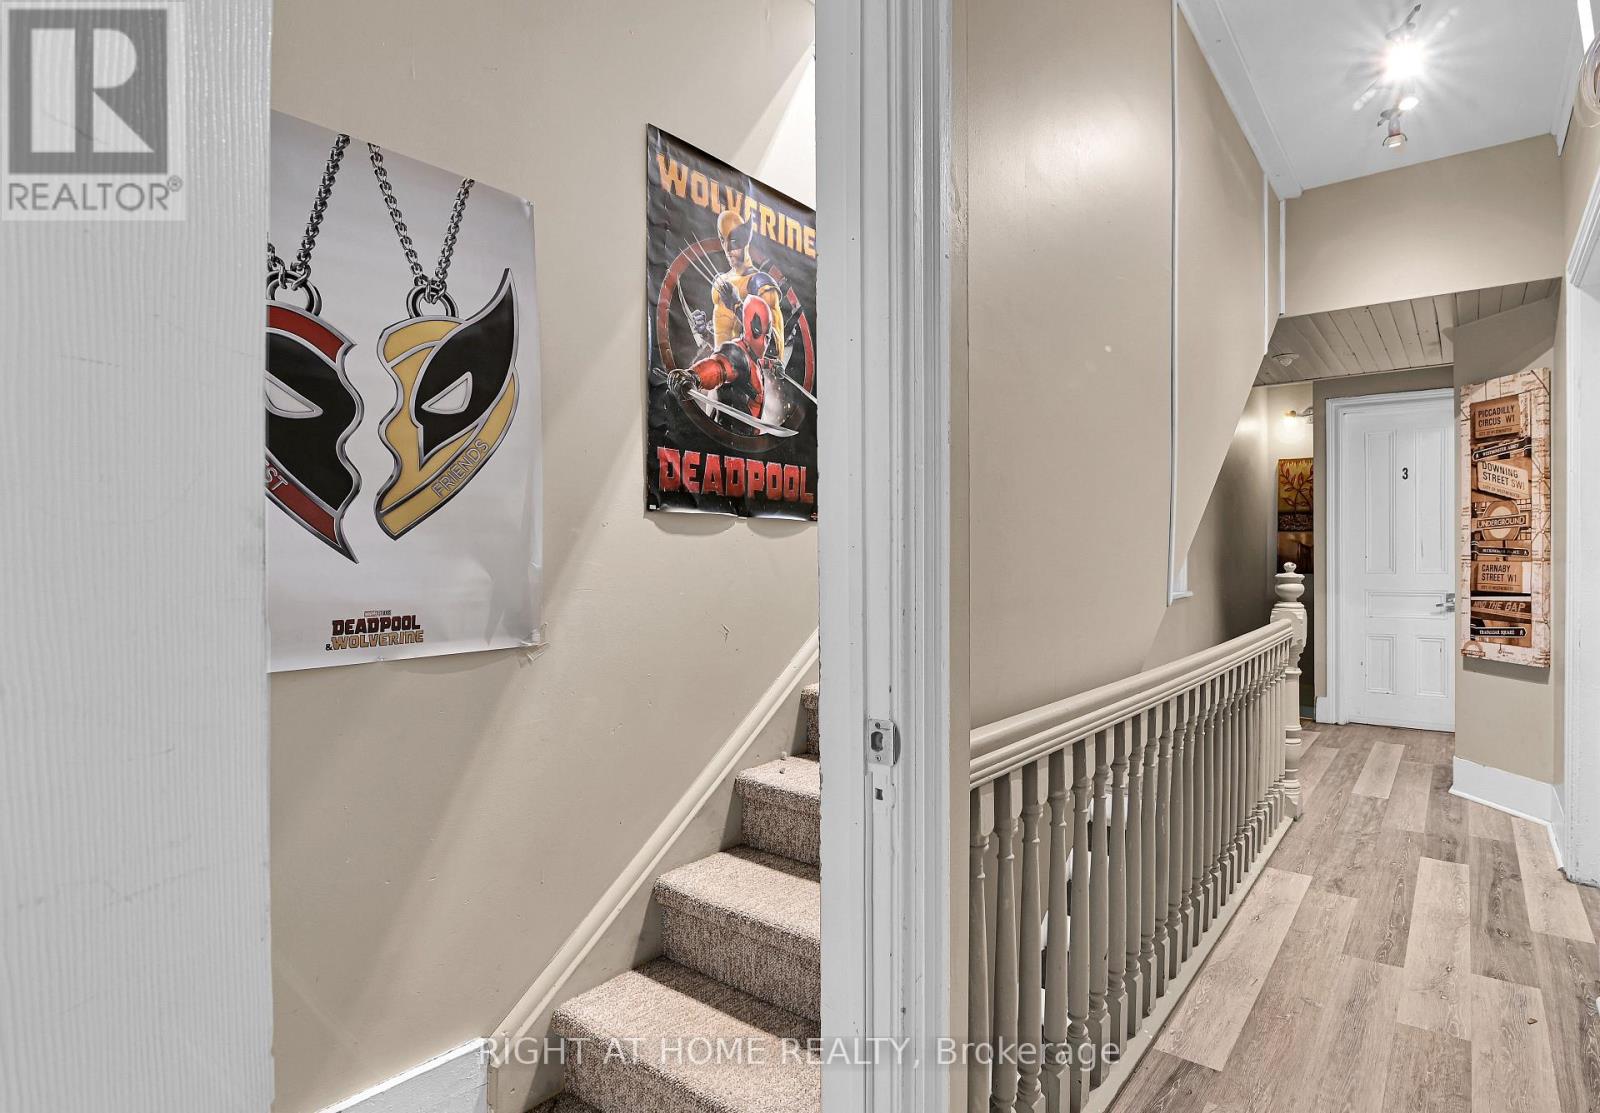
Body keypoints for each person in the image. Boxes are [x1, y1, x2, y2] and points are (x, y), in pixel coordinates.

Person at [693, 209, 786, 364]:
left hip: (753, 377)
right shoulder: (719, 283)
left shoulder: (761, 284)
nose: (727, 249)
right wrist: (705, 334)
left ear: (746, 239)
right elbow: (724, 348)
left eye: (734, 240)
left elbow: (774, 350)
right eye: (722, 240)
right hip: (722, 374)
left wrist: (737, 306)